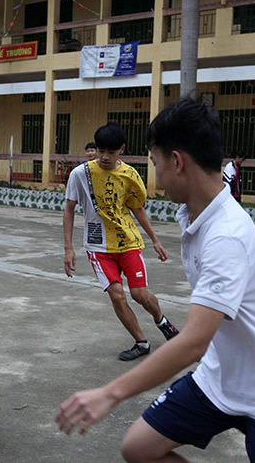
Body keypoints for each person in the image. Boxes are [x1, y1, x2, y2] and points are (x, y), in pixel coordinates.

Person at [56, 98, 255, 463]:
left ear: (177, 161)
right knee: (138, 448)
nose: (155, 175)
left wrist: (110, 393)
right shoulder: (194, 212)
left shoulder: (227, 236)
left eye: (156, 163)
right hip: (218, 378)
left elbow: (192, 342)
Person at [64, 122, 178, 361]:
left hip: (128, 243)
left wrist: (155, 240)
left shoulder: (130, 175)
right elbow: (69, 209)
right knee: (117, 295)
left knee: (140, 294)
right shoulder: (80, 174)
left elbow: (137, 209)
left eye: (111, 152)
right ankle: (141, 342)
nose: (105, 157)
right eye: (101, 150)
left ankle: (162, 321)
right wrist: (68, 248)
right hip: (98, 247)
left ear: (121, 150)